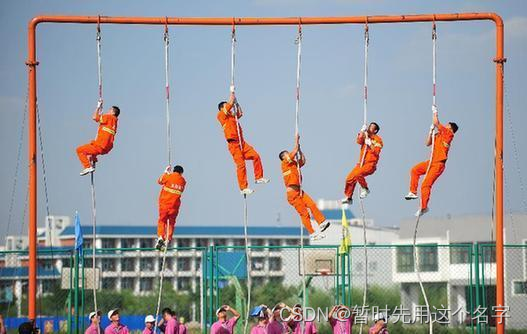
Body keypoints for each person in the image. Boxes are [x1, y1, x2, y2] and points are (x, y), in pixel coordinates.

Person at [405, 105, 458, 216]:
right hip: (431, 161)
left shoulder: (449, 135)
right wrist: (430, 132)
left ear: (450, 128)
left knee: (425, 185)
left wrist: (435, 113)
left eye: (447, 125)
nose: (445, 126)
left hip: (438, 164)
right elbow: (427, 143)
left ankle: (424, 207)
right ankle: (413, 192)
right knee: (414, 170)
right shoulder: (439, 134)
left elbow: (436, 122)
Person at [217, 86, 269, 195]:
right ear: (222, 107)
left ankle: (258, 177)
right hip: (233, 144)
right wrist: (232, 93)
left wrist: (237, 102)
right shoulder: (221, 115)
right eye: (227, 106)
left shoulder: (232, 116)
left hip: (242, 143)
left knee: (256, 156)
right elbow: (229, 103)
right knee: (241, 165)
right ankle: (243, 188)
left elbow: (240, 113)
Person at [280, 135, 330, 241]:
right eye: (286, 153)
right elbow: (293, 153)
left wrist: (300, 149)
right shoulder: (285, 163)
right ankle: (312, 233)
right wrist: (296, 142)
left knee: (312, 204)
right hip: (292, 194)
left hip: (299, 191)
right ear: (283, 157)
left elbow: (303, 160)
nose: (288, 154)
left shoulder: (293, 164)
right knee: (304, 213)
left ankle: (321, 223)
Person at [76, 100, 120, 176]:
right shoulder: (115, 121)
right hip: (105, 148)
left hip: (100, 145)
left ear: (113, 112)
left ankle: (88, 167)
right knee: (92, 144)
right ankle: (93, 159)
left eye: (110, 110)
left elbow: (94, 117)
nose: (108, 111)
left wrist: (98, 107)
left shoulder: (109, 117)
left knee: (79, 150)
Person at [342, 122, 383, 204]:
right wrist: (361, 131)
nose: (369, 128)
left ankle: (365, 189)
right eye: (369, 126)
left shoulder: (378, 140)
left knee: (358, 174)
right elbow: (358, 141)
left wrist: (370, 144)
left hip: (370, 165)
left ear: (375, 131)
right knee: (349, 179)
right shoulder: (365, 135)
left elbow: (377, 152)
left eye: (372, 127)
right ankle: (349, 198)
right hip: (361, 163)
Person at [155, 165, 187, 251]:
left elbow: (159, 181)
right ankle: (168, 239)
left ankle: (161, 237)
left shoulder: (169, 177)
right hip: (174, 207)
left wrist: (166, 173)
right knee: (171, 223)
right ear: (181, 173)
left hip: (164, 205)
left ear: (174, 170)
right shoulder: (183, 181)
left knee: (162, 221)